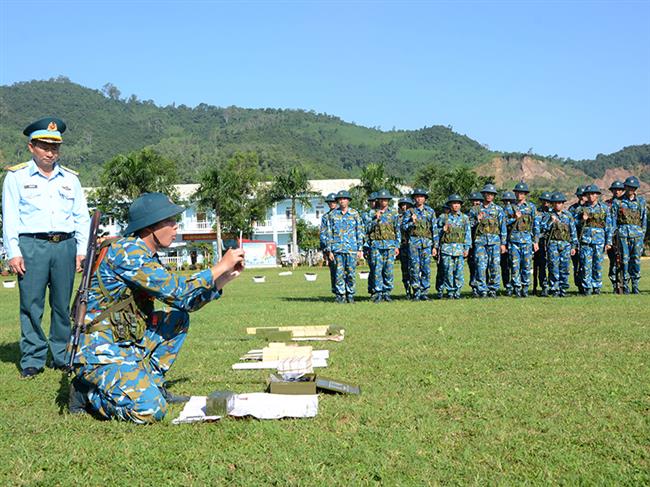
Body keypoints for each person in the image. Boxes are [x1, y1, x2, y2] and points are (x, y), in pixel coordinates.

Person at [68, 192, 245, 422]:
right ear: (150, 226)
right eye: (169, 222)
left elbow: (185, 302)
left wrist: (222, 279)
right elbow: (178, 289)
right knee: (150, 410)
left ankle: (152, 382)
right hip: (100, 349)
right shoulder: (127, 252)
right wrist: (218, 267)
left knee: (177, 318)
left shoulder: (147, 255)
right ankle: (88, 394)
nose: (175, 227)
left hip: (125, 342)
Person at [2, 117, 90, 378]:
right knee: (31, 304)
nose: (50, 152)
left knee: (63, 305)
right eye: (44, 146)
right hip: (32, 245)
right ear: (32, 147)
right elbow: (10, 216)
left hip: (64, 246)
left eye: (55, 147)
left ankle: (62, 355)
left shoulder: (71, 179)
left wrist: (81, 250)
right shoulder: (16, 177)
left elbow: (81, 217)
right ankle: (33, 358)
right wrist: (13, 251)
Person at [325, 190, 364, 303]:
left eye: (344, 199)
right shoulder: (332, 215)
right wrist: (329, 250)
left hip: (351, 248)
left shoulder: (354, 214)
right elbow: (329, 233)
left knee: (351, 272)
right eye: (340, 199)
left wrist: (359, 249)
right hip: (337, 249)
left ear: (348, 201)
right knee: (339, 273)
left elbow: (359, 231)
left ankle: (350, 294)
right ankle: (340, 294)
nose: (342, 201)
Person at [469, 184, 507, 297]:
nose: (489, 196)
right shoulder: (475, 210)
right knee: (480, 265)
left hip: (495, 241)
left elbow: (502, 227)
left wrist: (503, 244)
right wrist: (477, 220)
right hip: (480, 241)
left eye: (492, 194)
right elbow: (468, 226)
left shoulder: (498, 210)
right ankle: (482, 289)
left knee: (494, 265)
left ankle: (493, 289)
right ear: (483, 194)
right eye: (487, 193)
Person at [611, 176, 647, 294]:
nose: (630, 189)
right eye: (628, 187)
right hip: (622, 235)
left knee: (636, 260)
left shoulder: (641, 202)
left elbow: (643, 220)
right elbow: (613, 221)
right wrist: (614, 237)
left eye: (632, 187)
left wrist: (642, 234)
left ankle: (635, 286)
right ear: (625, 187)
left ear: (635, 188)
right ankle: (625, 286)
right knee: (624, 260)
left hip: (637, 235)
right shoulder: (618, 202)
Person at [576, 185, 612, 295]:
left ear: (597, 195)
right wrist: (582, 219)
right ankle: (587, 288)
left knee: (597, 265)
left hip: (599, 241)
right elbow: (574, 225)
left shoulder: (604, 208)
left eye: (593, 194)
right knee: (586, 265)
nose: (591, 196)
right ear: (586, 195)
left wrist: (608, 242)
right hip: (585, 241)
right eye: (588, 194)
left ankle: (596, 287)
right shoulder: (581, 209)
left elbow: (608, 226)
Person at [402, 188, 437, 300]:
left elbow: (434, 230)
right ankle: (416, 292)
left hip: (427, 243)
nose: (419, 198)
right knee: (414, 268)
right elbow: (403, 227)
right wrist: (411, 222)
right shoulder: (409, 212)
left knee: (426, 268)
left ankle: (424, 292)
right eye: (417, 196)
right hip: (414, 243)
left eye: (421, 196)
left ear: (425, 199)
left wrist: (435, 246)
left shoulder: (430, 212)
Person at [365, 189, 401, 302]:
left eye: (385, 199)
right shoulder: (371, 213)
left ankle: (387, 292)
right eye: (381, 199)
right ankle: (378, 292)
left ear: (388, 201)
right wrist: (376, 219)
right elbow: (366, 229)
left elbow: (397, 230)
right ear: (378, 200)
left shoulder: (393, 213)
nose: (383, 201)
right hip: (376, 245)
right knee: (377, 269)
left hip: (390, 245)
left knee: (388, 270)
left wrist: (397, 245)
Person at [541, 192, 578, 297]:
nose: (557, 205)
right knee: (553, 267)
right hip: (552, 244)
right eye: (555, 203)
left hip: (566, 245)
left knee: (565, 267)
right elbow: (543, 228)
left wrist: (574, 246)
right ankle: (554, 289)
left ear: (563, 204)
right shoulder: (548, 215)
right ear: (552, 204)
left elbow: (573, 231)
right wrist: (551, 222)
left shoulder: (568, 216)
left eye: (560, 203)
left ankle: (563, 289)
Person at [505, 183, 538, 297]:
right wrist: (514, 218)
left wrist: (536, 241)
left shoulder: (531, 207)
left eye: (522, 193)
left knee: (526, 265)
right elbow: (504, 223)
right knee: (514, 266)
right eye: (518, 192)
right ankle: (517, 288)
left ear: (525, 195)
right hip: (514, 241)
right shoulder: (509, 207)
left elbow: (535, 225)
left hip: (527, 241)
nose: (520, 194)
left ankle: (525, 287)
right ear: (515, 193)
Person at [436, 195, 471, 299]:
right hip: (446, 249)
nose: (455, 205)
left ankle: (458, 291)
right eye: (453, 203)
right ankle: (450, 292)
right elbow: (435, 233)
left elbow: (467, 234)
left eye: (457, 203)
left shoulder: (465, 218)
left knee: (459, 272)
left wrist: (467, 248)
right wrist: (443, 230)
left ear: (460, 205)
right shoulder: (443, 218)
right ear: (450, 205)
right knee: (447, 271)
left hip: (459, 249)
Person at [605, 180, 625, 291]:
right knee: (613, 261)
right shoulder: (607, 204)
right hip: (611, 237)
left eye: (619, 190)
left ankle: (622, 284)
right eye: (615, 190)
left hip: (623, 236)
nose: (617, 191)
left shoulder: (625, 203)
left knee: (623, 261)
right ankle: (614, 283)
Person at [533, 191, 552, 296]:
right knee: (540, 265)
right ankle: (543, 286)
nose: (546, 203)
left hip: (551, 242)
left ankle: (552, 286)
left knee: (552, 265)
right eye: (544, 201)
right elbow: (537, 227)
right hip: (540, 241)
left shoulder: (554, 212)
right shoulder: (537, 212)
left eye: (548, 201)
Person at [569, 186, 587, 293]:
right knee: (576, 264)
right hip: (575, 240)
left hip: (588, 240)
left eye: (584, 195)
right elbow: (570, 223)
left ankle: (587, 286)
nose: (582, 197)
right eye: (580, 195)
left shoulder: (590, 208)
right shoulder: (572, 209)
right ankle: (579, 285)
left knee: (586, 264)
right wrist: (580, 219)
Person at [319, 193, 338, 296]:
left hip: (342, 246)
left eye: (334, 202)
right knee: (334, 271)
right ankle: (336, 291)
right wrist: (325, 250)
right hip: (330, 248)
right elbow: (323, 234)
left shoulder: (342, 214)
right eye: (330, 202)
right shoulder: (325, 217)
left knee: (345, 271)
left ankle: (346, 292)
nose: (332, 204)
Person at [499, 191, 516, 296]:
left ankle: (515, 285)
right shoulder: (501, 211)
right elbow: (503, 223)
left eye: (510, 201)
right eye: (506, 201)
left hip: (515, 240)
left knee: (515, 265)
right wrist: (514, 219)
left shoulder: (517, 209)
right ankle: (507, 286)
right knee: (504, 266)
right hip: (503, 241)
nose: (508, 203)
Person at [467, 191, 483, 297]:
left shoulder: (485, 211)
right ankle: (474, 287)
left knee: (482, 266)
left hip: (482, 243)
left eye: (477, 201)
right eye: (474, 201)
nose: (476, 203)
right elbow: (468, 226)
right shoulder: (470, 212)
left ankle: (483, 287)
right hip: (472, 243)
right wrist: (476, 221)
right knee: (472, 265)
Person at [397, 197, 414, 298]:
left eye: (406, 205)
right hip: (403, 246)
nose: (404, 207)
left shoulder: (415, 216)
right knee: (405, 269)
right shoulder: (398, 218)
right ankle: (407, 290)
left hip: (414, 246)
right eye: (402, 205)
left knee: (415, 269)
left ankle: (416, 290)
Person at [362, 192, 378, 298]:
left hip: (382, 244)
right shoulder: (366, 214)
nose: (373, 203)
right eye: (371, 201)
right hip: (370, 245)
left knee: (382, 269)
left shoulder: (386, 212)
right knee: (373, 269)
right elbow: (365, 229)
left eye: (374, 201)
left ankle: (382, 291)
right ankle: (372, 290)